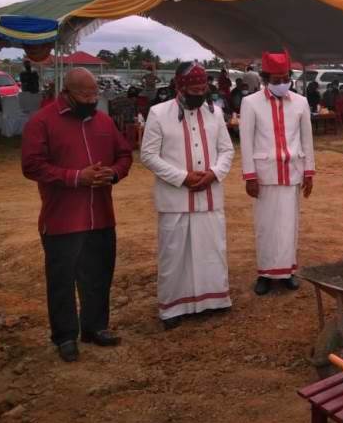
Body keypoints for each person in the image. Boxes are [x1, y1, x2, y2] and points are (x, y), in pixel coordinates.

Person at [21, 68, 132, 362]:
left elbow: (125, 155)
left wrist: (114, 173)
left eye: (95, 94)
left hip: (101, 214)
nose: (92, 99)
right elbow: (31, 165)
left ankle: (95, 327)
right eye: (85, 95)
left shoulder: (104, 121)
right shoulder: (42, 122)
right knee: (62, 280)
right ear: (67, 92)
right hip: (62, 218)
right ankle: (65, 336)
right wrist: (74, 177)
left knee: (98, 274)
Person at [140, 62, 235, 329]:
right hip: (175, 198)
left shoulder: (215, 113)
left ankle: (213, 301)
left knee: (211, 249)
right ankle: (173, 308)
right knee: (174, 253)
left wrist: (214, 173)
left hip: (210, 195)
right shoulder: (158, 113)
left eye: (203, 87)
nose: (199, 92)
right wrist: (181, 177)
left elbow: (227, 150)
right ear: (180, 87)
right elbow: (148, 155)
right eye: (193, 88)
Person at [240, 50, 315, 295]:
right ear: (264, 79)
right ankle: (264, 273)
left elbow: (307, 140)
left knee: (289, 224)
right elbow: (247, 141)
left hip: (292, 171)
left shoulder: (301, 102)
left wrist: (309, 172)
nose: (282, 84)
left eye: (285, 79)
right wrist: (249, 176)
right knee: (266, 225)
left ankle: (287, 272)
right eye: (276, 80)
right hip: (265, 174)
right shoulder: (251, 103)